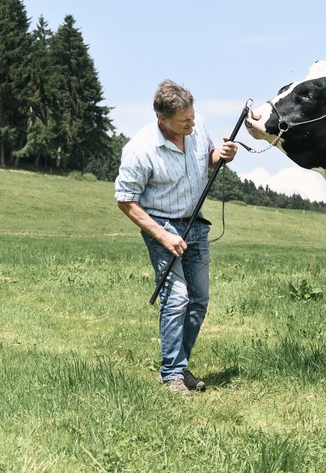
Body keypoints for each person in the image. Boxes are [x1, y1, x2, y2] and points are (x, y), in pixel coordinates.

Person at [114, 80, 238, 394]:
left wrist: (221, 155)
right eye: (185, 121)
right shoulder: (140, 149)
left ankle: (178, 365)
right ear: (163, 120)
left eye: (192, 116)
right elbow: (126, 200)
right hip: (161, 225)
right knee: (177, 297)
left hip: (196, 223)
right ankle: (171, 375)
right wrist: (162, 237)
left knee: (199, 300)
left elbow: (207, 160)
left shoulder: (197, 127)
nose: (192, 123)